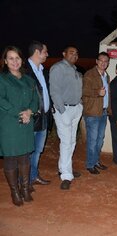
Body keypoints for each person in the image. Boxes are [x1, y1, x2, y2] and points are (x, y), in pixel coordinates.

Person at [0, 46, 38, 206]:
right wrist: (20, 113)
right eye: (10, 58)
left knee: (24, 157)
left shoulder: (29, 80)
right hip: (9, 124)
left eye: (17, 58)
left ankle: (24, 188)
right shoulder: (2, 79)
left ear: (22, 60)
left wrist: (30, 111)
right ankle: (14, 191)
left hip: (27, 123)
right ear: (5, 61)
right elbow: (1, 100)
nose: (14, 61)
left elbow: (35, 99)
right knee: (10, 157)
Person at [50, 45, 83, 190]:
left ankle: (65, 168)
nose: (74, 55)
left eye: (76, 53)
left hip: (75, 109)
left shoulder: (74, 70)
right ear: (64, 54)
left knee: (72, 141)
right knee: (66, 142)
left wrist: (80, 105)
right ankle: (66, 175)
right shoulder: (58, 68)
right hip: (64, 109)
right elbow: (54, 91)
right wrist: (62, 110)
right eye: (71, 53)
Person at [25, 41, 51, 189]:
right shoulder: (25, 71)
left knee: (38, 150)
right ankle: (26, 180)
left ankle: (33, 176)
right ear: (37, 52)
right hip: (32, 118)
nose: (47, 54)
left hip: (43, 117)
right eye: (45, 51)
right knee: (29, 150)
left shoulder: (41, 70)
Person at [82, 52, 110, 174]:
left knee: (100, 140)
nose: (103, 63)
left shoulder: (106, 76)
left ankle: (96, 161)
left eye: (106, 61)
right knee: (92, 140)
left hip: (103, 112)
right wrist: (97, 92)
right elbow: (83, 91)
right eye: (101, 60)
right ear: (96, 61)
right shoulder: (89, 74)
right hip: (92, 112)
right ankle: (90, 164)